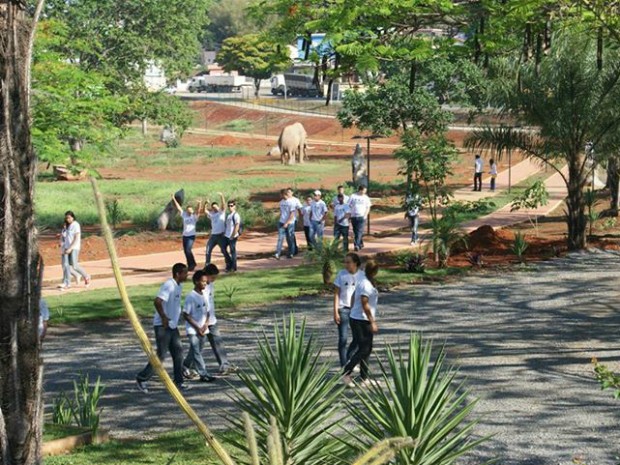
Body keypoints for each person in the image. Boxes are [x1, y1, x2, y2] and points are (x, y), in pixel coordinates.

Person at [136, 263, 189, 393]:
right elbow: (157, 301)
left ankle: (179, 381)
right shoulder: (169, 285)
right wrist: (164, 317)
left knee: (178, 354)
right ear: (178, 273)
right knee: (161, 354)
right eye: (185, 273)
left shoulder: (179, 286)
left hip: (172, 326)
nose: (187, 275)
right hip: (163, 326)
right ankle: (142, 378)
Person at [343, 260, 379, 387]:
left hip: (359, 318)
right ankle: (346, 372)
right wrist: (372, 322)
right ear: (374, 271)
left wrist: (353, 308)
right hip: (361, 320)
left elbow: (353, 296)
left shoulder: (364, 280)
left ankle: (364, 378)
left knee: (366, 349)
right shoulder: (366, 284)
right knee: (364, 349)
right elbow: (365, 304)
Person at [182, 270, 216, 383]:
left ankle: (184, 366)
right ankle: (203, 373)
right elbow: (186, 315)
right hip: (193, 330)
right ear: (196, 282)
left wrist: (206, 324)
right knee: (196, 351)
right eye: (203, 282)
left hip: (203, 329)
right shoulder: (191, 297)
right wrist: (197, 328)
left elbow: (207, 311)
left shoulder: (204, 295)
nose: (205, 284)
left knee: (196, 352)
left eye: (206, 282)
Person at [203, 263, 236, 375]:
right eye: (212, 277)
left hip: (212, 320)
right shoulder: (203, 287)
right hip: (203, 322)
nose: (214, 280)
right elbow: (204, 305)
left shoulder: (210, 284)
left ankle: (224, 365)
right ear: (206, 275)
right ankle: (186, 366)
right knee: (197, 347)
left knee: (218, 342)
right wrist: (206, 321)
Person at [333, 253, 362, 367]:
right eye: (344, 262)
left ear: (355, 263)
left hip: (356, 311)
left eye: (348, 262)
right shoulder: (341, 274)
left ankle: (349, 360)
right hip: (343, 309)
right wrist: (335, 311)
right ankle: (344, 366)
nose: (346, 264)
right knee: (343, 339)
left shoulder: (361, 275)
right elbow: (336, 294)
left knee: (357, 338)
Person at [59, 211, 90, 290]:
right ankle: (67, 283)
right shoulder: (67, 226)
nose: (67, 219)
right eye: (66, 218)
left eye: (69, 217)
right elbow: (66, 237)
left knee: (75, 266)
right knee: (66, 266)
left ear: (73, 217)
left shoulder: (76, 225)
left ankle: (86, 276)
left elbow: (76, 238)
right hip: (66, 247)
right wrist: (63, 246)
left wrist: (71, 248)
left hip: (74, 248)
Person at [171, 194, 202, 271]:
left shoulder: (194, 216)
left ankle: (192, 264)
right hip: (185, 235)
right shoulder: (184, 215)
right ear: (186, 210)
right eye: (188, 209)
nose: (190, 211)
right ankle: (190, 264)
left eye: (191, 209)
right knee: (185, 251)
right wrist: (173, 198)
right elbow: (178, 208)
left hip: (191, 236)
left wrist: (199, 203)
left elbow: (198, 210)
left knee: (188, 250)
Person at [205, 193, 228, 266]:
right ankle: (207, 265)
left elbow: (224, 205)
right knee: (208, 250)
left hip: (220, 236)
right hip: (213, 236)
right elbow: (205, 211)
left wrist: (222, 196)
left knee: (224, 251)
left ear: (218, 207)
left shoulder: (221, 213)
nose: (215, 208)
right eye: (213, 207)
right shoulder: (211, 214)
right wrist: (205, 203)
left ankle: (229, 263)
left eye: (216, 207)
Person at [348, 185, 372, 251]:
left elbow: (368, 207)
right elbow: (348, 206)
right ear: (360, 190)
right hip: (354, 216)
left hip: (362, 216)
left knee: (359, 231)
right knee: (356, 231)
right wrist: (349, 214)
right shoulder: (353, 196)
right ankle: (361, 243)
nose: (365, 192)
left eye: (365, 191)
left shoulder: (366, 198)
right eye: (364, 190)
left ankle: (356, 245)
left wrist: (365, 215)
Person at [275, 189, 295, 259]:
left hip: (289, 223)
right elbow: (281, 212)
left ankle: (291, 252)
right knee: (280, 238)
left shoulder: (291, 203)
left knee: (289, 238)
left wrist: (287, 223)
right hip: (281, 222)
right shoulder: (281, 202)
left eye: (281, 194)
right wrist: (279, 219)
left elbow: (292, 214)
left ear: (284, 194)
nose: (280, 196)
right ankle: (277, 253)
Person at [224, 200, 241, 272]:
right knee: (223, 249)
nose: (230, 207)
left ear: (234, 206)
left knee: (232, 251)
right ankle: (229, 264)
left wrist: (233, 235)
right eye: (229, 206)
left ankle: (233, 267)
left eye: (231, 206)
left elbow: (237, 225)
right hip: (226, 235)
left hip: (232, 236)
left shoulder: (236, 215)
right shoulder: (228, 215)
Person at [287, 188, 303, 256]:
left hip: (293, 219)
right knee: (289, 235)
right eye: (287, 192)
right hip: (286, 220)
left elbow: (299, 209)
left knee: (291, 234)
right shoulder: (285, 200)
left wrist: (300, 219)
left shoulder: (295, 200)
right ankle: (294, 249)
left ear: (292, 192)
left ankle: (292, 252)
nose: (288, 193)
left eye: (289, 192)